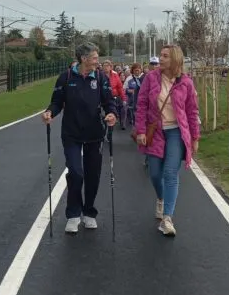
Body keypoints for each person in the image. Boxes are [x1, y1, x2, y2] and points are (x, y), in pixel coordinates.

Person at [43, 43, 117, 234]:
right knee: (76, 173)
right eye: (94, 57)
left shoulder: (100, 78)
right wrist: (50, 112)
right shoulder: (66, 77)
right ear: (83, 58)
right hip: (71, 133)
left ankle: (89, 212)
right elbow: (57, 101)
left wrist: (111, 114)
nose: (97, 61)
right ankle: (73, 214)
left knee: (93, 175)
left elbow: (109, 101)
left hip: (94, 134)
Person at [134, 44, 200, 237]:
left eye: (165, 56)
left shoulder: (186, 82)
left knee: (171, 173)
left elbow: (192, 111)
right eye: (160, 56)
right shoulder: (151, 78)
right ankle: (161, 198)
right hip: (156, 131)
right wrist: (140, 130)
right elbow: (142, 104)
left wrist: (195, 137)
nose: (160, 59)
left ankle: (167, 218)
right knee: (155, 173)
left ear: (175, 59)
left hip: (176, 132)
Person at [102, 60, 126, 130]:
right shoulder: (100, 75)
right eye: (104, 66)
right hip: (104, 98)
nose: (105, 67)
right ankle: (105, 129)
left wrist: (124, 98)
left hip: (114, 97)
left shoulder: (115, 76)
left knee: (122, 109)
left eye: (107, 66)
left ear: (110, 67)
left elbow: (120, 88)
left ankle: (121, 124)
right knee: (105, 115)